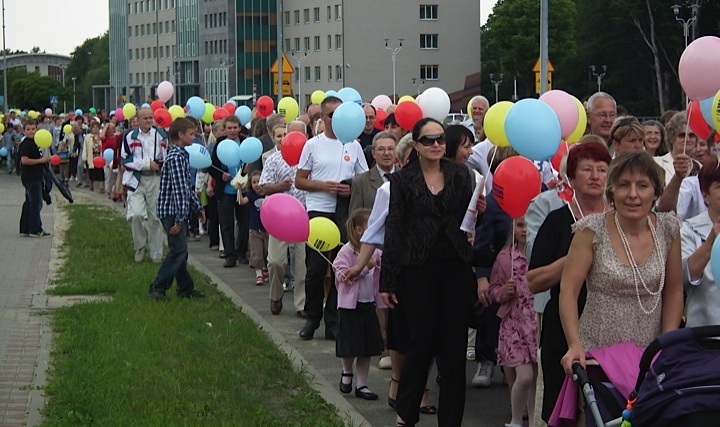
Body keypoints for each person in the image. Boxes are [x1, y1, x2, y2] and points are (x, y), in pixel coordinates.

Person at [381, 118, 475, 427]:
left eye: (440, 139)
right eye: (429, 140)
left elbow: (469, 219)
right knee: (420, 342)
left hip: (455, 268)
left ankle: (451, 420)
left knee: (453, 346)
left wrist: (477, 218)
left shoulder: (462, 176)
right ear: (416, 146)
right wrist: (388, 279)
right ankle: (407, 413)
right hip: (417, 269)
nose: (436, 144)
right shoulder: (402, 181)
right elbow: (394, 228)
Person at [559, 151, 683, 375]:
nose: (633, 195)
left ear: (655, 192)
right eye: (624, 185)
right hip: (598, 354)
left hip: (650, 354)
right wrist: (574, 344)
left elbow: (674, 291)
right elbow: (568, 291)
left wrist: (667, 343)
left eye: (642, 186)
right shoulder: (591, 230)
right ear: (612, 191)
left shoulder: (668, 229)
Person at [342, 134, 440, 416]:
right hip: (401, 269)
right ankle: (404, 384)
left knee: (430, 334)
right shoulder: (390, 189)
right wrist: (359, 265)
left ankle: (415, 384)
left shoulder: (445, 183)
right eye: (412, 158)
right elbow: (371, 232)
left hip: (436, 270)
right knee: (406, 334)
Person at [526, 140, 611, 422]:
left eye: (602, 169)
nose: (596, 176)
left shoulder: (621, 220)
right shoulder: (556, 221)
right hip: (563, 327)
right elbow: (534, 281)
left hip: (610, 326)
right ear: (571, 178)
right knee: (562, 409)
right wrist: (575, 258)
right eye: (587, 169)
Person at [295, 96, 369, 341]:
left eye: (340, 115)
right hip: (318, 211)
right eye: (331, 116)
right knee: (315, 269)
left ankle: (333, 321)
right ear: (322, 118)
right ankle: (312, 317)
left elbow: (363, 179)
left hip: (344, 213)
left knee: (341, 268)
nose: (336, 120)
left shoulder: (354, 146)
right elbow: (300, 180)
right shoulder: (312, 145)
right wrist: (322, 186)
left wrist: (350, 189)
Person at [147, 118, 206, 301]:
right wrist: (180, 220)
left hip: (175, 210)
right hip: (172, 211)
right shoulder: (176, 158)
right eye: (191, 133)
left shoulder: (180, 155)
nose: (194, 136)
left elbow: (187, 189)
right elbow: (180, 191)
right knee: (178, 251)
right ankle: (158, 286)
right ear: (180, 135)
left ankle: (185, 288)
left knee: (181, 250)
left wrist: (198, 207)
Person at [488, 217, 536, 427]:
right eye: (520, 225)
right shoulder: (505, 258)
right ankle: (516, 420)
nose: (524, 230)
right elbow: (493, 290)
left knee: (536, 379)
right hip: (514, 325)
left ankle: (535, 420)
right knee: (524, 376)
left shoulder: (539, 253)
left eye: (528, 224)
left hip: (535, 323)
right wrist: (503, 292)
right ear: (513, 228)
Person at [333, 208, 384, 401]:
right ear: (360, 230)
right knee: (350, 345)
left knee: (367, 347)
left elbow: (379, 275)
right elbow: (343, 275)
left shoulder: (377, 252)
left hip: (368, 303)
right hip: (350, 307)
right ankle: (347, 372)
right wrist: (363, 268)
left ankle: (362, 384)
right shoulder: (346, 251)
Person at [260, 122, 308, 317]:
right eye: (291, 134)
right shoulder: (274, 159)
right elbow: (263, 186)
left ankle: (301, 304)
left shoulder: (311, 158)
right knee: (276, 262)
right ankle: (276, 295)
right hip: (280, 217)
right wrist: (279, 187)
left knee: (303, 263)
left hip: (304, 216)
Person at [121, 108, 168, 263]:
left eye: (150, 118)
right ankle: (140, 246)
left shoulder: (161, 136)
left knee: (155, 217)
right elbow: (126, 160)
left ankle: (156, 253)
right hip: (136, 179)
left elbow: (166, 157)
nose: (149, 121)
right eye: (145, 118)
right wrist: (146, 164)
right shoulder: (129, 137)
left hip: (155, 180)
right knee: (135, 215)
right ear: (138, 120)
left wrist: (161, 166)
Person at [681, 157, 720, 328]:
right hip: (704, 336)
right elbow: (683, 278)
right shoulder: (689, 229)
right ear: (705, 196)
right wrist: (712, 239)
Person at [208, 115, 248, 267]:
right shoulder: (219, 145)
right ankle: (230, 255)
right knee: (226, 224)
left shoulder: (245, 142)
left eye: (235, 127)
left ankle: (242, 252)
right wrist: (220, 175)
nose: (232, 131)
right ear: (224, 129)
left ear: (239, 128)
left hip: (243, 190)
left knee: (244, 223)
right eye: (229, 128)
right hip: (225, 191)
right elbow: (211, 167)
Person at [349, 131, 397, 214]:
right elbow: (355, 218)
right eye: (381, 149)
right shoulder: (361, 182)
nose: (386, 153)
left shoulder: (407, 178)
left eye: (390, 149)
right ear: (373, 154)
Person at [18, 120, 52, 238]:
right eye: (28, 129)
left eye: (33, 129)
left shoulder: (35, 143)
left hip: (35, 176)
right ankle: (35, 229)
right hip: (31, 177)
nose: (31, 131)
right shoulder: (26, 144)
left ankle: (25, 228)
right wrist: (41, 161)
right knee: (36, 204)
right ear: (24, 131)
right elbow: (25, 160)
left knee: (29, 202)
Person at [240, 170, 268, 286]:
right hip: (255, 229)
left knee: (267, 252)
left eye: (259, 181)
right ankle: (258, 274)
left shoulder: (267, 194)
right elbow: (242, 202)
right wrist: (239, 190)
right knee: (256, 253)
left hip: (267, 229)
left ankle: (265, 270)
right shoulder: (250, 195)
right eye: (254, 182)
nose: (257, 184)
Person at [83, 121, 105, 193]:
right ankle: (91, 187)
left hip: (100, 157)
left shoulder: (101, 136)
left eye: (97, 127)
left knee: (100, 173)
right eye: (94, 127)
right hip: (91, 158)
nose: (95, 129)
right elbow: (85, 147)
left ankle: (101, 188)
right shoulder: (88, 137)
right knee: (91, 173)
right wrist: (84, 158)